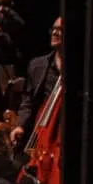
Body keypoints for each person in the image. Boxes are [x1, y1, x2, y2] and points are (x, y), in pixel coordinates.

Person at [14, 17, 63, 149]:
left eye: (61, 30)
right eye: (54, 29)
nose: (55, 33)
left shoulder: (82, 68)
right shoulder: (37, 65)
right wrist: (20, 125)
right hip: (41, 130)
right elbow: (28, 101)